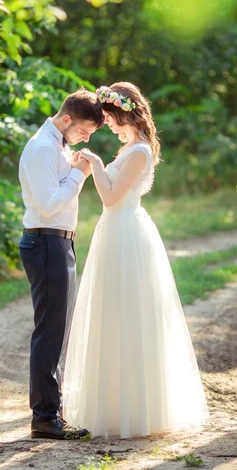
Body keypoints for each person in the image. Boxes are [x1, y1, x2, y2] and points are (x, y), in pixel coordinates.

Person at [62, 82, 209, 438]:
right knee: (112, 315)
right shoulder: (130, 148)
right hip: (115, 233)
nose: (106, 124)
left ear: (122, 112)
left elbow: (111, 197)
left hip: (126, 234)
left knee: (128, 315)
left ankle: (134, 411)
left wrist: (95, 163)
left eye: (108, 117)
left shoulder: (139, 151)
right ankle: (113, 405)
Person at [18, 88, 104, 440]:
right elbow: (50, 203)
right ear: (67, 119)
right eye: (84, 131)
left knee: (55, 330)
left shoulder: (58, 147)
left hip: (58, 242)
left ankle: (49, 411)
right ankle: (44, 416)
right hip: (45, 241)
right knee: (49, 332)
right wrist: (80, 174)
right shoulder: (42, 148)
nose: (85, 138)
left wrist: (73, 166)